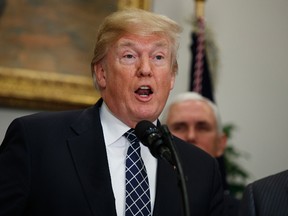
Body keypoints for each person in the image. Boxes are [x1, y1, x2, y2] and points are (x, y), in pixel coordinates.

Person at [0, 8, 224, 215]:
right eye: (129, 56)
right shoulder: (36, 141)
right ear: (101, 73)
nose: (145, 69)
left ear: (172, 77)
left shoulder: (201, 169)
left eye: (158, 57)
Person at [161, 91, 239, 216]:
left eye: (202, 127)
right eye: (179, 127)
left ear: (221, 143)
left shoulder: (242, 211)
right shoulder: (146, 203)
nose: (191, 136)